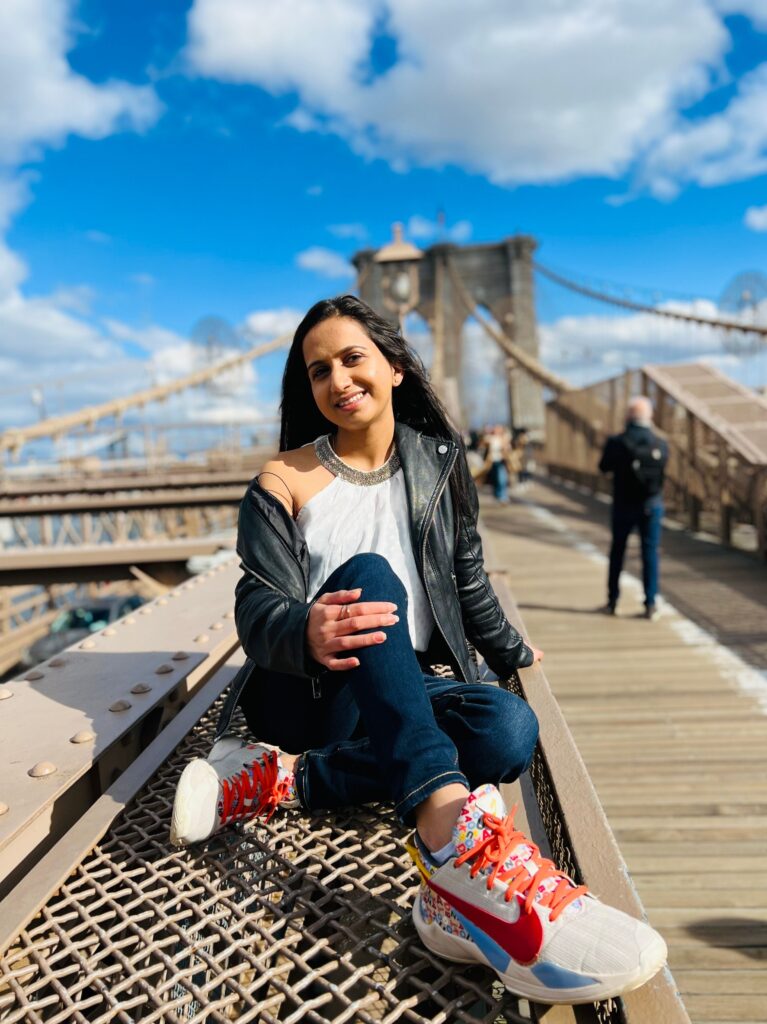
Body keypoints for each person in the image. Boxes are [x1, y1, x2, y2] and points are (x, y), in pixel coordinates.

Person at [170, 297, 666, 1005]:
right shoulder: (282, 480)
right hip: (315, 693)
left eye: (352, 358)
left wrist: (512, 648)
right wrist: (304, 629)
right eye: (318, 371)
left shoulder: (439, 463)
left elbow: (466, 579)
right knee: (370, 580)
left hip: (398, 688)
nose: (338, 380)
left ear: (395, 367)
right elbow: (256, 611)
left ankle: (291, 783)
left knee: (507, 729)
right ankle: (449, 842)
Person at [599, 396, 669, 619]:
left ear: (628, 416)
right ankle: (650, 602)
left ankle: (612, 601)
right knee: (650, 552)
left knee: (618, 551)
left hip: (623, 505)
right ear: (650, 416)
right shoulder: (660, 443)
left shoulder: (617, 442)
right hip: (652, 504)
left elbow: (603, 467)